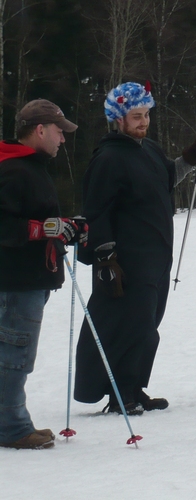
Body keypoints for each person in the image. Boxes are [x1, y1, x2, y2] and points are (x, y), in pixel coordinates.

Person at [74, 82, 196, 415]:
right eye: (136, 116)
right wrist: (105, 257)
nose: (144, 122)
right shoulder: (108, 158)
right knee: (130, 327)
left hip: (156, 255)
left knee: (148, 327)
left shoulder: (148, 149)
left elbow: (166, 180)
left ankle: (134, 387)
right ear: (118, 119)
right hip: (126, 260)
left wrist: (189, 158)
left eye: (147, 115)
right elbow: (97, 211)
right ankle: (121, 394)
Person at [0, 100, 85, 450]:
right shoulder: (14, 170)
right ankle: (12, 427)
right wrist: (44, 230)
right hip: (16, 283)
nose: (62, 140)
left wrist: (66, 229)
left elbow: (41, 221)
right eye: (59, 132)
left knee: (13, 354)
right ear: (40, 130)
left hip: (29, 278)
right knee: (14, 356)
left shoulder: (29, 168)